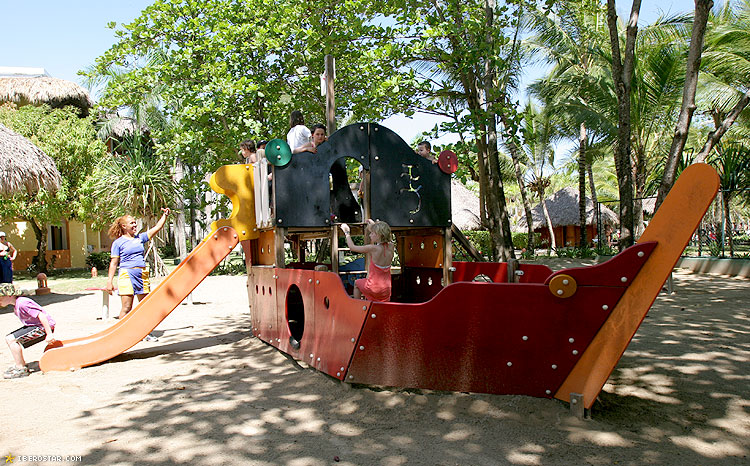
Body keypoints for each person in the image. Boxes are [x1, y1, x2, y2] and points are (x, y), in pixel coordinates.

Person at [105, 208, 171, 340]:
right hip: (127, 274)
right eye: (132, 223)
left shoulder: (140, 238)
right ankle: (121, 335)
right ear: (124, 226)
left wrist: (165, 215)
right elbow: (113, 263)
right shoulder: (118, 243)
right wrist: (109, 281)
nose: (135, 225)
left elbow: (157, 227)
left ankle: (145, 333)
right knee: (127, 306)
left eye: (135, 223)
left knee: (145, 306)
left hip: (142, 274)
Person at [1, 284, 55, 379]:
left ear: (10, 295)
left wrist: (49, 334)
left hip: (43, 327)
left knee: (11, 339)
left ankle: (21, 368)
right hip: (37, 326)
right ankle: (20, 364)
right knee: (10, 338)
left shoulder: (23, 303)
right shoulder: (17, 304)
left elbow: (41, 315)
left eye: (1, 297)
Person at [340, 219, 394, 301]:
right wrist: (373, 226)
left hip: (374, 287)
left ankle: (358, 305)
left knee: (357, 283)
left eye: (372, 233)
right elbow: (381, 238)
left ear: (379, 235)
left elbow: (352, 247)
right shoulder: (391, 246)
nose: (370, 235)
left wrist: (347, 232)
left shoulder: (373, 248)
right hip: (386, 289)